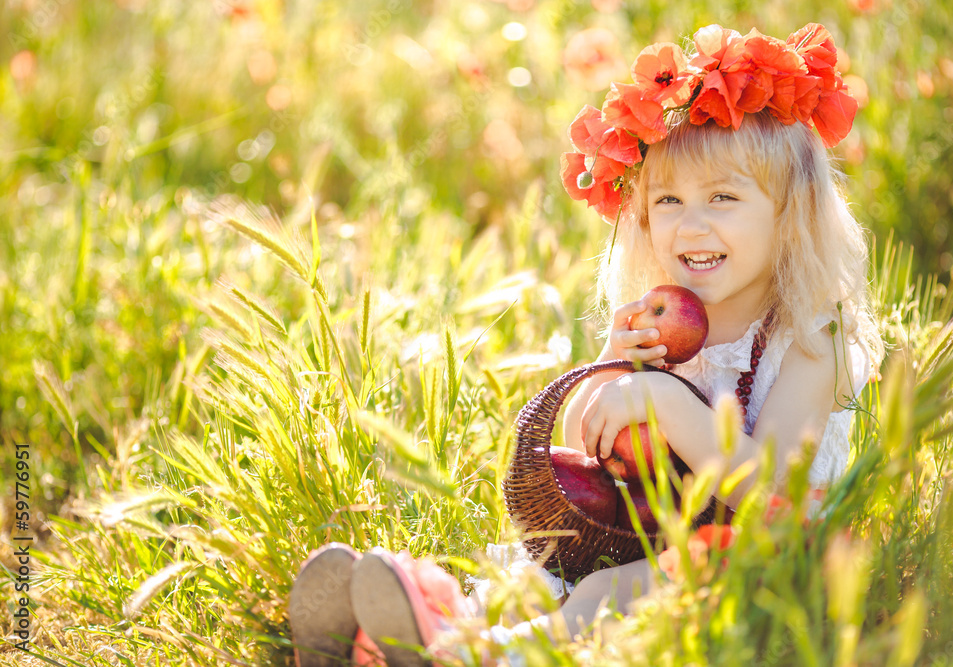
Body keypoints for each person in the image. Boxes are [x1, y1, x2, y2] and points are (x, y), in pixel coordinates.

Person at [288, 22, 884, 666]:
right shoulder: (664, 322)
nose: (692, 223)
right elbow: (586, 429)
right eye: (670, 200)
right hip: (651, 531)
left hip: (767, 565)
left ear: (788, 214)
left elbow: (775, 497)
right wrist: (613, 366)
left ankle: (467, 658)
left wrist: (667, 403)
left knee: (607, 589)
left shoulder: (808, 342)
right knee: (533, 575)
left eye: (722, 198)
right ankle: (393, 639)